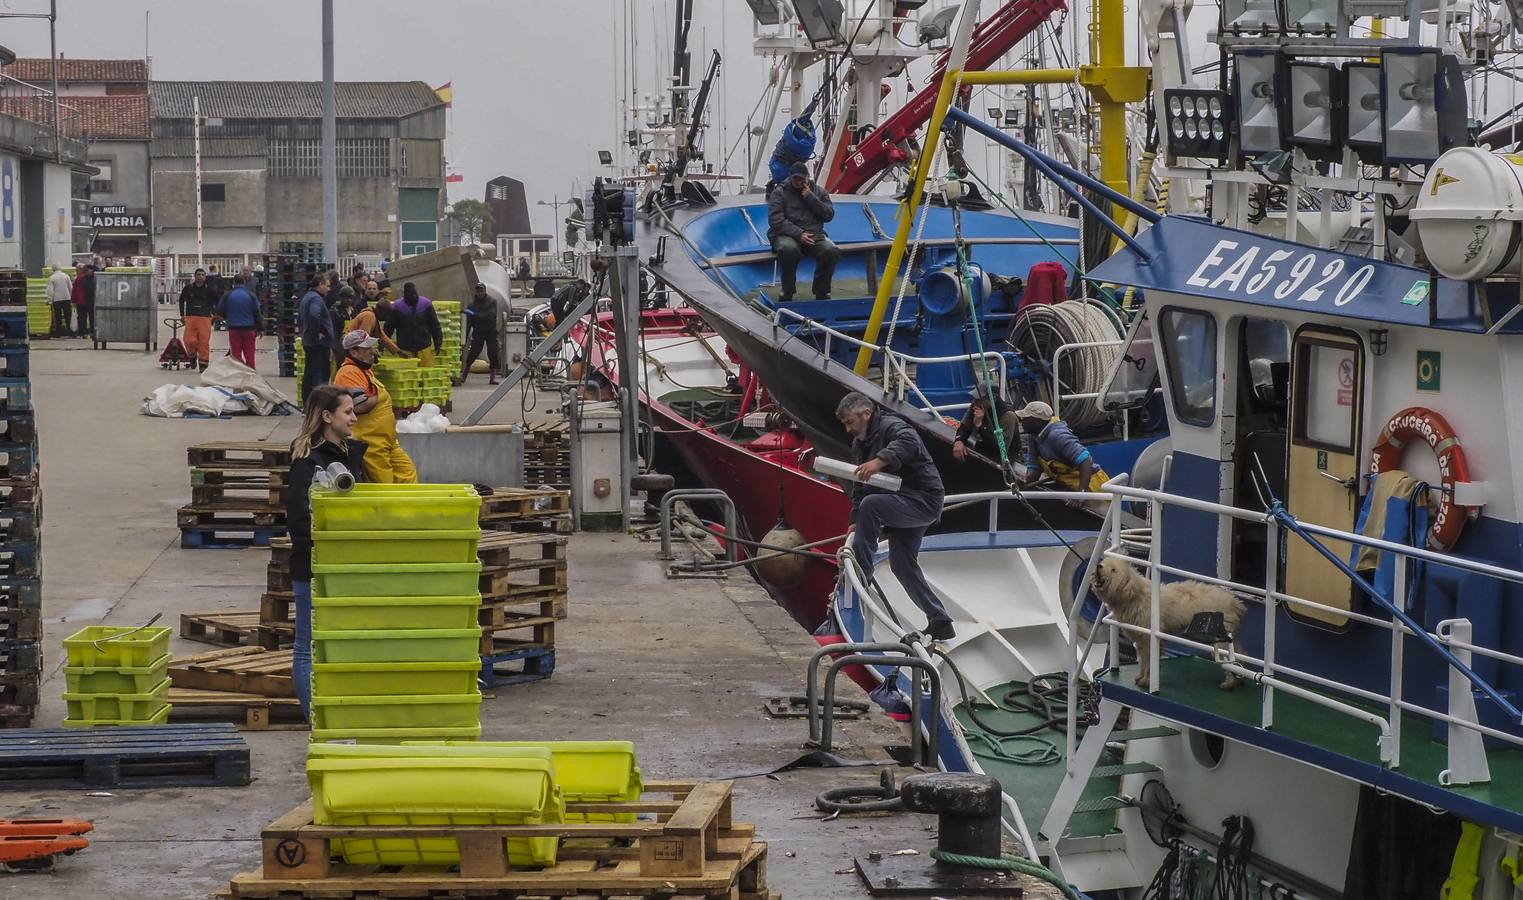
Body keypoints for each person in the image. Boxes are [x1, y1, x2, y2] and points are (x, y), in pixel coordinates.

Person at [837, 391, 954, 641]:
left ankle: (861, 573)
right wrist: (853, 521)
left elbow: (909, 441)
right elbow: (859, 486)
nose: (847, 429)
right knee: (902, 564)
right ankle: (940, 620)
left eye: (849, 422)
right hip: (902, 503)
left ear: (866, 414)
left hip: (923, 499)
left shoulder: (892, 426)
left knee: (872, 505)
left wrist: (879, 461)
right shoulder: (861, 444)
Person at [284, 385, 369, 718]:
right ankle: (315, 721)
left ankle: (339, 715)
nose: (354, 417)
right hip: (314, 568)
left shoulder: (347, 454)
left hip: (347, 567)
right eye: (347, 412)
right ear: (327, 417)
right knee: (307, 647)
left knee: (340, 645)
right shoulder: (308, 461)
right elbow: (297, 519)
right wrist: (326, 549)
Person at [334, 330, 419, 483]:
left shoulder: (365, 370)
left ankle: (407, 507)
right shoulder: (348, 372)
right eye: (366, 348)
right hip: (371, 444)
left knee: (407, 474)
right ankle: (388, 507)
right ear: (353, 351)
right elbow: (359, 407)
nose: (371, 351)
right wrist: (376, 396)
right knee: (384, 486)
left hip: (388, 441)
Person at [768, 161, 840, 301]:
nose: (799, 181)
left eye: (802, 178)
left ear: (808, 177)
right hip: (787, 234)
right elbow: (776, 221)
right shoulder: (779, 193)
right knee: (788, 250)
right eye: (796, 178)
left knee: (831, 250)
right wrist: (799, 234)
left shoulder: (819, 192)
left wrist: (811, 198)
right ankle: (787, 291)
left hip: (814, 234)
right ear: (790, 178)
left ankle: (822, 291)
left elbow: (828, 215)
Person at [1013, 400, 1110, 498]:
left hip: (1092, 485)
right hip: (1068, 484)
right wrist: (1025, 480)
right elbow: (1035, 467)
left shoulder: (1057, 435)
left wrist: (1082, 494)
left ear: (1039, 421)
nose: (1022, 420)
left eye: (1026, 418)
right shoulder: (1034, 436)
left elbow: (1085, 461)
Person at [953, 382, 1019, 463]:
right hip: (981, 450)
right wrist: (959, 441)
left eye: (980, 399)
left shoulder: (1008, 416)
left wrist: (980, 426)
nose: (976, 402)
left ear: (993, 398)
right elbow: (964, 427)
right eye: (975, 398)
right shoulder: (976, 405)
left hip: (1004, 459)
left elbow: (999, 449)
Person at [386, 282, 443, 366]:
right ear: (405, 294)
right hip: (405, 349)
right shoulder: (397, 307)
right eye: (411, 295)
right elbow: (389, 327)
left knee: (425, 374)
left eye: (415, 294)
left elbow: (435, 325)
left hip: (424, 347)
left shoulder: (426, 304)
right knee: (409, 375)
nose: (414, 297)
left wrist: (438, 342)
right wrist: (384, 344)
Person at [298, 274, 335, 401]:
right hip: (318, 345)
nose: (329, 289)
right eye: (327, 286)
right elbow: (314, 315)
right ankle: (318, 404)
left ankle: (308, 404)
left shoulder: (308, 297)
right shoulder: (316, 299)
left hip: (309, 342)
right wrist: (316, 334)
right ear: (320, 284)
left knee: (309, 374)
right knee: (320, 376)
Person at [217, 275, 262, 369]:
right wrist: (260, 328)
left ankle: (237, 376)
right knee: (250, 355)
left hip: (234, 329)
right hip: (249, 329)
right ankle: (251, 376)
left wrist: (228, 317)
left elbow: (220, 311)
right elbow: (257, 312)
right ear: (244, 282)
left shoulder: (228, 295)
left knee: (236, 356)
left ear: (233, 283)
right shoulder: (250, 295)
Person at [177, 268, 218, 370]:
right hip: (190, 318)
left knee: (203, 342)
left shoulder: (210, 290)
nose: (200, 276)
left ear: (205, 277)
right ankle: (192, 356)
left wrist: (216, 314)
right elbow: (181, 300)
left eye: (203, 275)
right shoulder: (188, 288)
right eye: (198, 274)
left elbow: (218, 301)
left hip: (205, 318)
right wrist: (182, 315)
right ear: (194, 276)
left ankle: (203, 364)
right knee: (189, 341)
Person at [460, 282, 502, 384]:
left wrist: (474, 314)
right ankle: (464, 375)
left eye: (481, 290)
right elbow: (469, 322)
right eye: (478, 290)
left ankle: (492, 378)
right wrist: (464, 337)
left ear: (485, 291)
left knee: (493, 353)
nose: (480, 293)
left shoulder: (492, 302)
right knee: (473, 353)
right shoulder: (472, 304)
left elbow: (490, 315)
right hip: (478, 332)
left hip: (490, 331)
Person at [47, 263, 71, 337]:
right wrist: (71, 297)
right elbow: (70, 287)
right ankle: (70, 330)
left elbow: (50, 290)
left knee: (58, 316)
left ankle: (59, 332)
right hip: (67, 298)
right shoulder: (66, 276)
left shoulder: (52, 277)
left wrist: (50, 300)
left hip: (57, 299)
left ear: (53, 269)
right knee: (68, 315)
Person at [72, 264, 96, 338]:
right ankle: (92, 332)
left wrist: (73, 300)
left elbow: (74, 290)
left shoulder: (79, 278)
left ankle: (83, 333)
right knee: (91, 317)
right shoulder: (94, 278)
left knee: (82, 317)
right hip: (90, 301)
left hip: (81, 301)